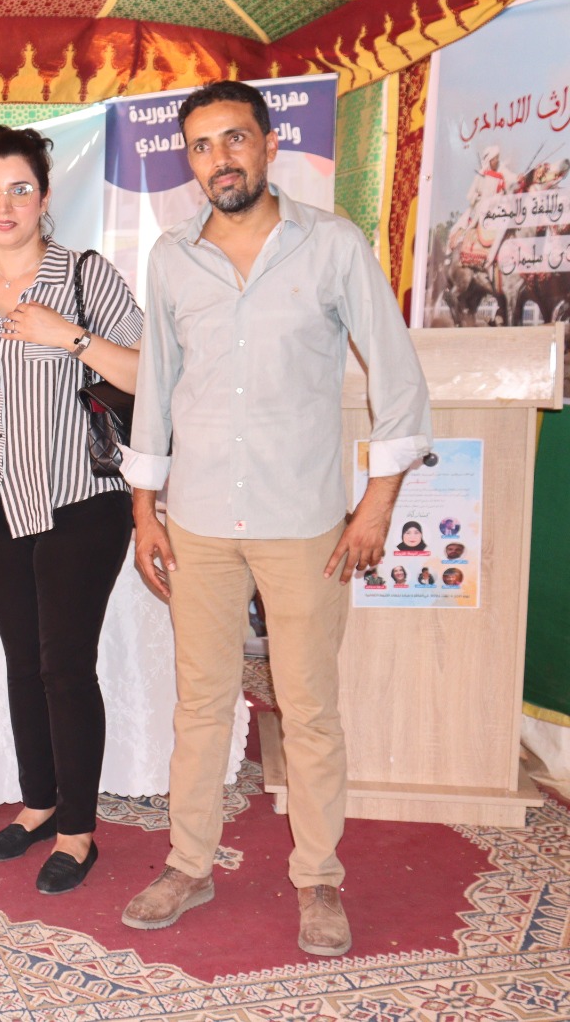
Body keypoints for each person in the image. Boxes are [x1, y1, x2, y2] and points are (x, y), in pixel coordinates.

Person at [120, 81, 432, 957]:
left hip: (304, 524)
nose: (219, 159)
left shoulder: (331, 246)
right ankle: (188, 864)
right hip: (198, 522)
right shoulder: (172, 258)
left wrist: (376, 506)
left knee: (309, 708)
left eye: (234, 139)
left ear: (268, 145)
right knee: (200, 705)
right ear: (189, 163)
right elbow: (158, 390)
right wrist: (146, 511)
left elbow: (399, 380)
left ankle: (319, 879)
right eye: (201, 146)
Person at [0, 125, 142, 894]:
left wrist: (71, 336)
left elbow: (152, 373)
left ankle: (78, 831)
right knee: (24, 662)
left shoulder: (85, 275)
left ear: (45, 197)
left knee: (65, 666)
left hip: (78, 500)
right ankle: (39, 802)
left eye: (20, 188)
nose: (4, 204)